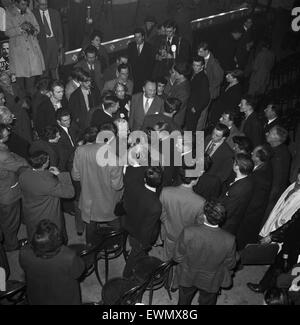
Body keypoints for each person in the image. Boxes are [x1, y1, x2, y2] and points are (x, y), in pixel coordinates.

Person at [173, 200, 237, 305]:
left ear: (205, 216)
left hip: (188, 275)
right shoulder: (230, 239)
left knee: (184, 301)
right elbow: (231, 264)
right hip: (211, 280)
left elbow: (177, 257)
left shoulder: (189, 231)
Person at [71, 124, 123, 246]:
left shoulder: (80, 150)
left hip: (88, 200)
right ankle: (117, 246)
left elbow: (76, 176)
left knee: (90, 225)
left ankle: (90, 247)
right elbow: (117, 186)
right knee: (116, 224)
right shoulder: (114, 159)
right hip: (108, 202)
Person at [19, 219, 85, 305]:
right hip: (65, 298)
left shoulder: (24, 252)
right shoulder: (68, 255)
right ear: (57, 239)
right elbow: (78, 272)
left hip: (37, 294)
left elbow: (24, 266)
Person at [19, 151, 74, 241]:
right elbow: (70, 193)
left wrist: (46, 173)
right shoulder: (48, 182)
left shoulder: (23, 174)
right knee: (52, 238)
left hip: (31, 212)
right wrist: (60, 175)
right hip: (47, 215)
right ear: (45, 164)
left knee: (36, 234)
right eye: (48, 159)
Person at [122, 166, 163, 278]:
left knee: (136, 250)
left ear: (145, 179)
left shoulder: (134, 187)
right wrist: (145, 245)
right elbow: (147, 229)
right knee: (135, 254)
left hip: (130, 225)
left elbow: (126, 204)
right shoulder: (156, 205)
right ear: (159, 182)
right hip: (140, 236)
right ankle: (126, 276)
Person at [160, 165, 205, 260]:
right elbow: (200, 224)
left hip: (169, 233)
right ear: (195, 180)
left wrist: (166, 223)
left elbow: (161, 212)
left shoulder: (165, 192)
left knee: (167, 260)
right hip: (187, 238)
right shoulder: (201, 202)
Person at [5, 0, 45, 95]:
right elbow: (7, 32)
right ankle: (23, 106)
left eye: (26, 4)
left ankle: (32, 105)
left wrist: (32, 29)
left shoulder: (29, 12)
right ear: (16, 3)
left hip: (32, 51)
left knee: (31, 84)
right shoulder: (8, 13)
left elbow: (37, 29)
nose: (25, 7)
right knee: (20, 85)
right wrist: (20, 28)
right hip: (18, 53)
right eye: (22, 4)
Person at [236, 145, 272, 249]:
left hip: (248, 217)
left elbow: (256, 202)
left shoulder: (261, 177)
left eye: (254, 153)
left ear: (259, 159)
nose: (251, 153)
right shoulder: (261, 167)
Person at [0, 123, 28, 251]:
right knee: (10, 221)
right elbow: (19, 165)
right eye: (7, 133)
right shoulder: (3, 155)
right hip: (8, 193)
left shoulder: (3, 148)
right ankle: (12, 245)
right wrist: (25, 161)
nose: (9, 133)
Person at [260, 168, 300, 239]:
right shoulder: (293, 185)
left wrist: (273, 236)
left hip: (279, 234)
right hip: (270, 228)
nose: (298, 181)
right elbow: (278, 206)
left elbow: (290, 222)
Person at [220, 153, 254, 235]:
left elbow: (228, 210)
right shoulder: (247, 180)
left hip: (226, 225)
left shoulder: (238, 188)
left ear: (237, 167)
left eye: (234, 162)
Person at [264, 125, 291, 219]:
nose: (267, 133)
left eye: (270, 132)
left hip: (271, 196)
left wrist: (268, 200)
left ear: (276, 138)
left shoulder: (278, 156)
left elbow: (277, 181)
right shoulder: (277, 148)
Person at [33, 0, 64, 79]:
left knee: (55, 67)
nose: (44, 6)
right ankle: (45, 86)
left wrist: (60, 43)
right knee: (44, 67)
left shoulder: (55, 13)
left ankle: (56, 84)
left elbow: (60, 29)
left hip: (53, 41)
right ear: (37, 3)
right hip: (42, 43)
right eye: (42, 4)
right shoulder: (33, 14)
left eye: (46, 4)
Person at [68, 69, 101, 133]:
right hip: (84, 125)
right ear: (80, 82)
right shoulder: (75, 96)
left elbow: (99, 103)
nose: (89, 84)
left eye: (90, 81)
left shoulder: (94, 90)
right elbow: (74, 113)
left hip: (96, 120)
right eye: (86, 82)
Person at [184, 55, 210, 132]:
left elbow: (206, 97)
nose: (195, 67)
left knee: (191, 129)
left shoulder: (203, 78)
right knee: (188, 127)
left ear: (202, 66)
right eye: (194, 65)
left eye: (197, 66)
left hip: (194, 108)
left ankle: (190, 144)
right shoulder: (194, 73)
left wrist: (196, 108)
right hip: (190, 105)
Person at [163, 62, 191, 128]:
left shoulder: (184, 90)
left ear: (181, 75)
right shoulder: (178, 80)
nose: (173, 73)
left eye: (175, 72)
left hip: (175, 119)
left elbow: (177, 107)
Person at [127, 28, 154, 93]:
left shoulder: (149, 47)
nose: (137, 39)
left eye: (139, 37)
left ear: (143, 37)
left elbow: (151, 64)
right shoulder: (131, 45)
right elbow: (129, 60)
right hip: (133, 77)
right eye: (135, 37)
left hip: (145, 77)